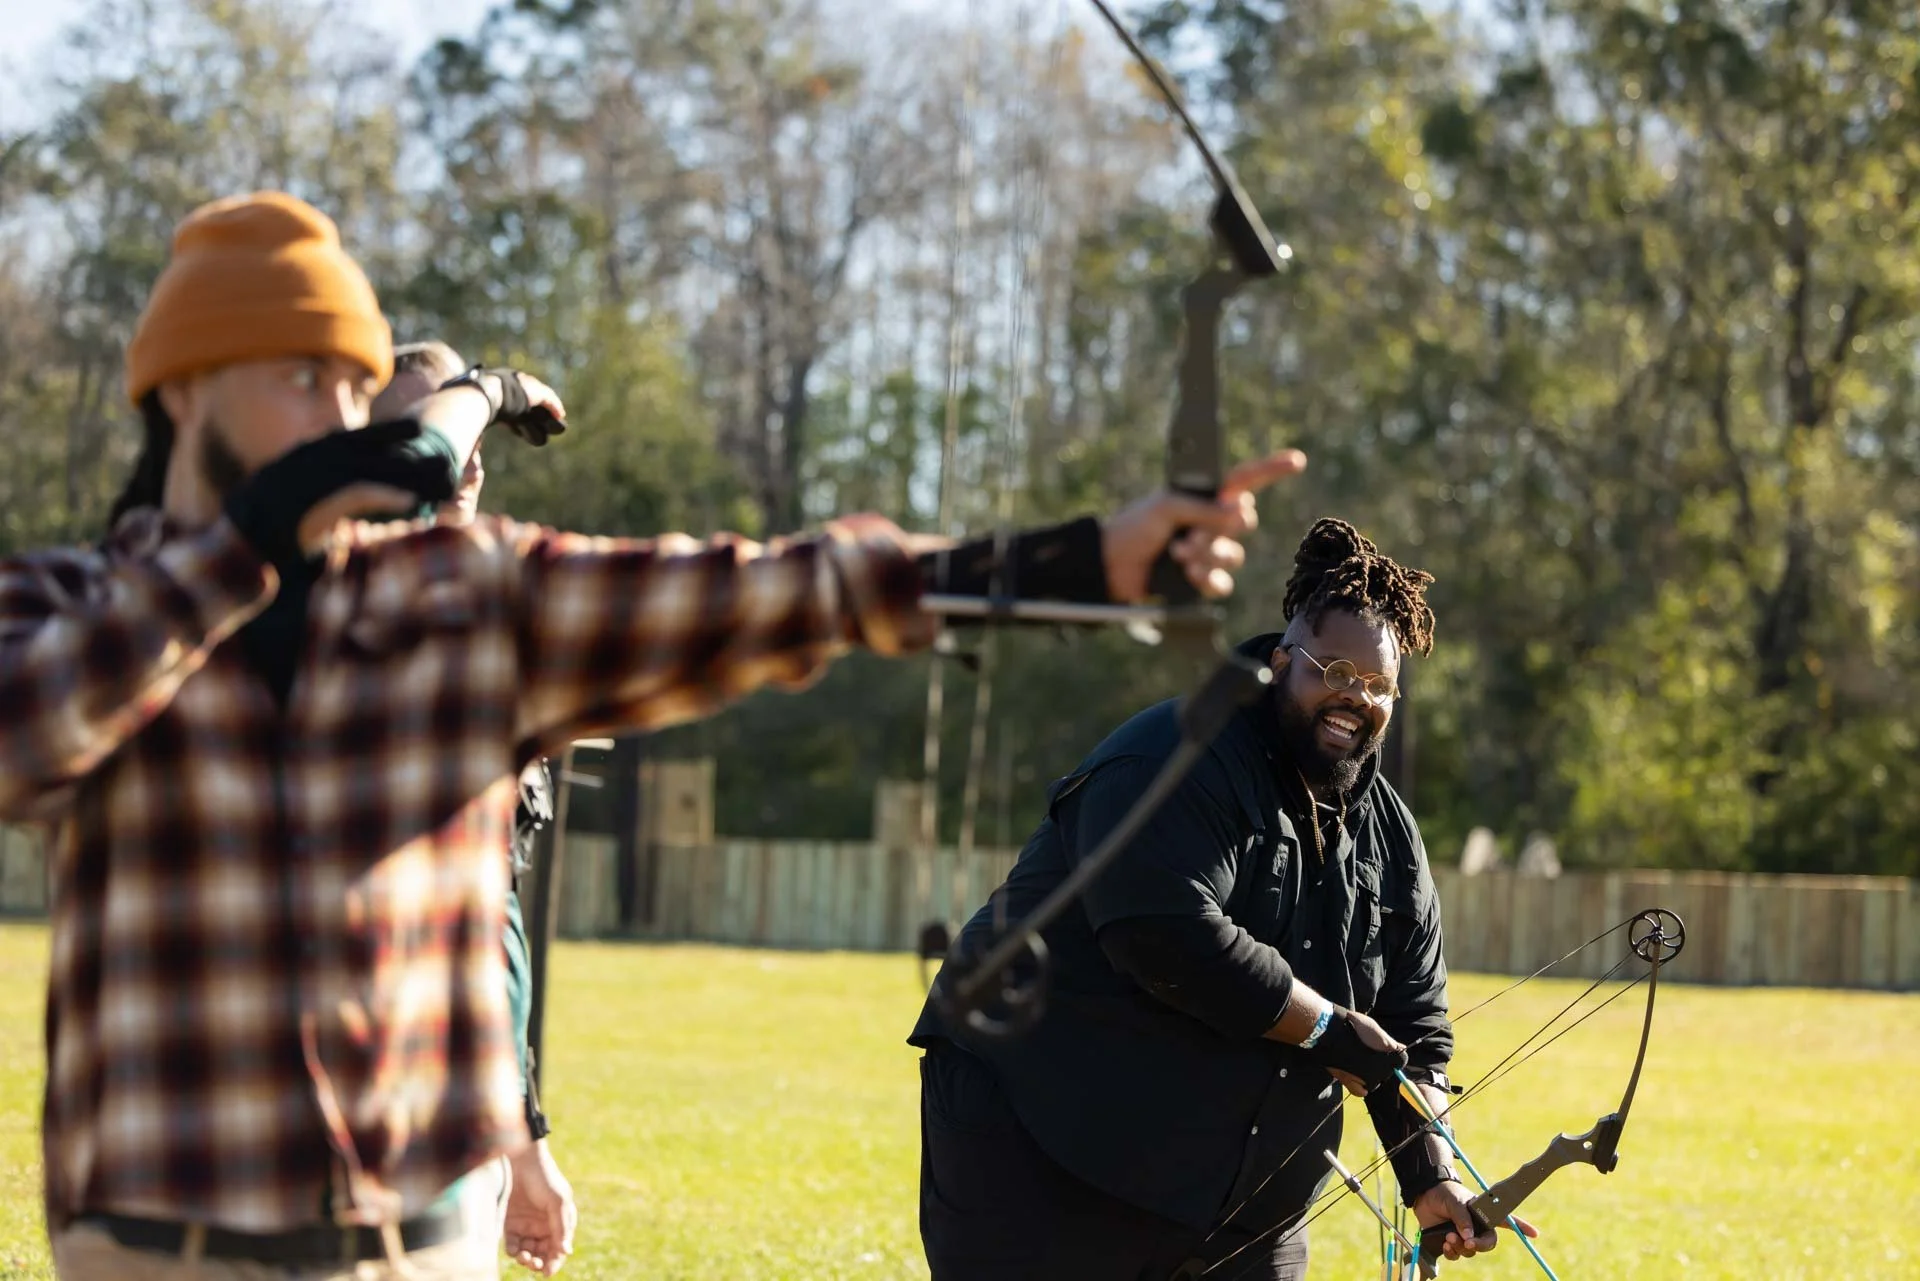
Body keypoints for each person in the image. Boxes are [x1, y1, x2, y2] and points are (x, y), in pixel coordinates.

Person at [0, 189, 1300, 1280]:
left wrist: (1084, 563)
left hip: (414, 1249)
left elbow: (776, 592)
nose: (348, 424)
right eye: (304, 381)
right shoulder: (61, 608)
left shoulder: (461, 603)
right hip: (157, 1249)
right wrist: (244, 548)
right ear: (182, 390)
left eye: (357, 385)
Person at [910, 518, 1539, 1281]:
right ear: (1282, 661)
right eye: (1335, 670)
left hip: (1237, 1197)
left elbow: (1414, 1028)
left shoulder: (1392, 838)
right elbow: (1166, 935)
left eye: (1378, 686)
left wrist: (1430, 1170)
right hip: (1037, 1132)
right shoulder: (1175, 754)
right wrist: (1327, 1028)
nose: (1356, 697)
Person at [370, 341, 577, 1277]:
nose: (467, 449)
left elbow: (490, 926)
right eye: (439, 420)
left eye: (472, 426)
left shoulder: (492, 626)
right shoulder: (344, 619)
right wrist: (491, 385)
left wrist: (523, 1140)